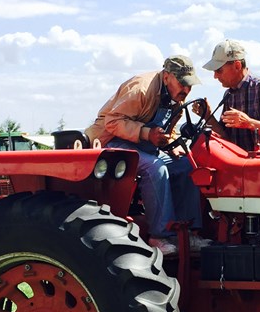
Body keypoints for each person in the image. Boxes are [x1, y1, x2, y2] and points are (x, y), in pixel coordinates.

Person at [85, 55, 209, 255]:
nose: (186, 90)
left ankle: (188, 234)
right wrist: (146, 133)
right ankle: (158, 236)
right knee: (154, 167)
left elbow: (169, 128)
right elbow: (112, 122)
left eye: (190, 85)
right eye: (183, 84)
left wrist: (171, 143)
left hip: (144, 145)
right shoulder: (141, 89)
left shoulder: (175, 98)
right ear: (167, 77)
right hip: (112, 143)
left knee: (186, 165)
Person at [201, 39, 260, 156]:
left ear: (237, 65)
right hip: (246, 169)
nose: (215, 76)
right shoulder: (229, 95)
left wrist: (249, 123)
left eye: (219, 70)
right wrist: (208, 116)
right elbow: (226, 137)